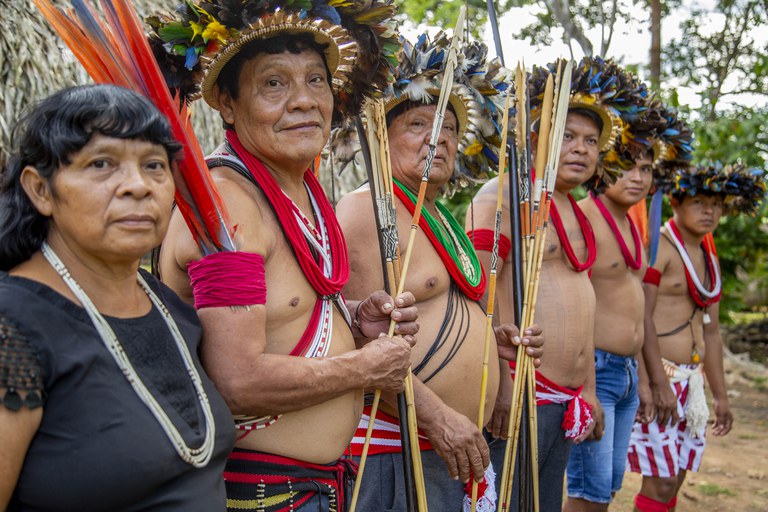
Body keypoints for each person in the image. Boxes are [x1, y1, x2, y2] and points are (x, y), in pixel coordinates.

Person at [151, 1, 417, 509]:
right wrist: (365, 368)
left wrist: (357, 323)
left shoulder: (300, 194)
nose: (303, 101)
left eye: (316, 81)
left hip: (313, 488)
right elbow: (237, 383)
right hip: (262, 495)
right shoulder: (226, 205)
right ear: (227, 104)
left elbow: (283, 316)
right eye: (274, 83)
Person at [0, 84, 235, 511]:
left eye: (154, 166)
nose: (137, 186)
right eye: (102, 164)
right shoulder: (12, 327)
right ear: (41, 190)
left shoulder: (170, 309)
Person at [334, 34, 543, 511]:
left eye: (448, 128)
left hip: (450, 443)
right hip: (396, 443)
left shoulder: (439, 216)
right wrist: (437, 417)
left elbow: (467, 313)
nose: (439, 138)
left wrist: (500, 367)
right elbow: (359, 345)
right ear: (381, 136)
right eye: (418, 123)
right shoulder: (368, 210)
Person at [470, 57, 647, 511]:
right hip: (522, 390)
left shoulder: (573, 205)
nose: (581, 149)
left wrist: (588, 389)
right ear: (534, 139)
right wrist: (503, 386)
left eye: (591, 141)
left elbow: (584, 305)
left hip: (568, 396)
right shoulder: (502, 196)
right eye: (567, 136)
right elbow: (478, 301)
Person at [627, 163, 765, 512]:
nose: (709, 211)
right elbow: (640, 317)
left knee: (679, 475)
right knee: (660, 481)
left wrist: (720, 396)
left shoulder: (709, 255)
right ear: (675, 203)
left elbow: (712, 332)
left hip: (692, 383)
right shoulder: (659, 248)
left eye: (716, 204)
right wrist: (655, 384)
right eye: (699, 202)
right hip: (663, 376)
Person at [563, 96, 667, 511]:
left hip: (624, 372)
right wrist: (584, 384)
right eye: (626, 165)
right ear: (604, 165)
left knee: (607, 489)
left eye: (645, 168)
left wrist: (644, 378)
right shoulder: (584, 215)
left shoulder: (631, 224)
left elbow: (636, 307)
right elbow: (576, 304)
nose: (637, 177)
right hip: (597, 369)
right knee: (587, 489)